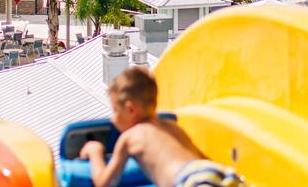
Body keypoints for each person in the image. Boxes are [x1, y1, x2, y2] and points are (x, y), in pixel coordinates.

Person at [80, 67, 244, 187]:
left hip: (190, 179)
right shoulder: (172, 126)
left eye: (115, 110)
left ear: (131, 109)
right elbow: (202, 159)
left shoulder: (129, 137)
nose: (112, 118)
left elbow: (104, 183)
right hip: (219, 172)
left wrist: (95, 152)